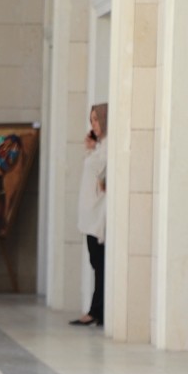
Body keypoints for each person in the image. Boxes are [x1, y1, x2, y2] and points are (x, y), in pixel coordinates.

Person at [71, 103, 108, 326]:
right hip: (90, 214)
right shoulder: (100, 146)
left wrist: (94, 149)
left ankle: (97, 311)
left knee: (100, 263)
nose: (93, 124)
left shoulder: (107, 147)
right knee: (96, 263)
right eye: (91, 119)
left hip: (98, 214)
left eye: (96, 119)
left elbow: (103, 174)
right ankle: (96, 310)